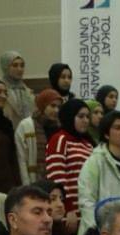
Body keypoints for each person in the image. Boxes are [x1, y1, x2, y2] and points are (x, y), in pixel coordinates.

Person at [46, 96, 94, 228]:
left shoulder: (88, 145)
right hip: (69, 214)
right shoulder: (59, 139)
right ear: (70, 116)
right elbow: (56, 177)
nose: (85, 120)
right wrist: (68, 208)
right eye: (81, 116)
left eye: (87, 117)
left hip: (87, 211)